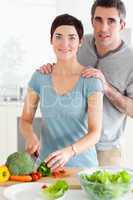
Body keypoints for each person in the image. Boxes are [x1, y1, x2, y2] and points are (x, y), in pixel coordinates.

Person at [38, 0, 133, 167]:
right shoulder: (78, 44)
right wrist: (50, 68)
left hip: (106, 150)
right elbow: (62, 68)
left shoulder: (130, 61)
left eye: (111, 21)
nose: (103, 28)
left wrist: (107, 88)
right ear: (91, 21)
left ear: (122, 24)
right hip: (70, 146)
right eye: (98, 19)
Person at [20, 14, 103, 171]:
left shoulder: (91, 80)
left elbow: (95, 132)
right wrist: (30, 136)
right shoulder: (39, 77)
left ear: (80, 42)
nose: (65, 43)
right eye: (58, 37)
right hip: (47, 167)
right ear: (51, 40)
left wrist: (70, 151)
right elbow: (25, 119)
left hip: (82, 168)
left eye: (72, 37)